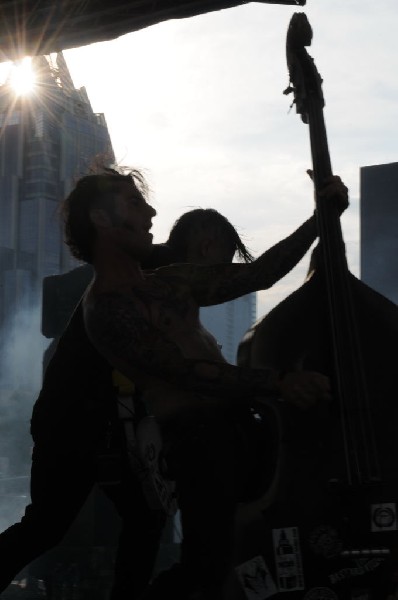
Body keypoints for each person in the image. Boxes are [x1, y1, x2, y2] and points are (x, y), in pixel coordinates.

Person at [60, 167, 348, 599]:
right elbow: (187, 374)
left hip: (232, 428)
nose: (152, 212)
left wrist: (320, 217)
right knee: (205, 568)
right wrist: (280, 382)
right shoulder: (107, 309)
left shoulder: (168, 282)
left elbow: (258, 275)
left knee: (231, 554)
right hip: (198, 441)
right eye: (136, 203)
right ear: (100, 219)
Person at [0, 205, 262, 599]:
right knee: (53, 525)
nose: (217, 282)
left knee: (135, 519)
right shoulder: (156, 278)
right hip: (79, 424)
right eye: (220, 266)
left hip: (102, 424)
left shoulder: (150, 273)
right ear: (207, 247)